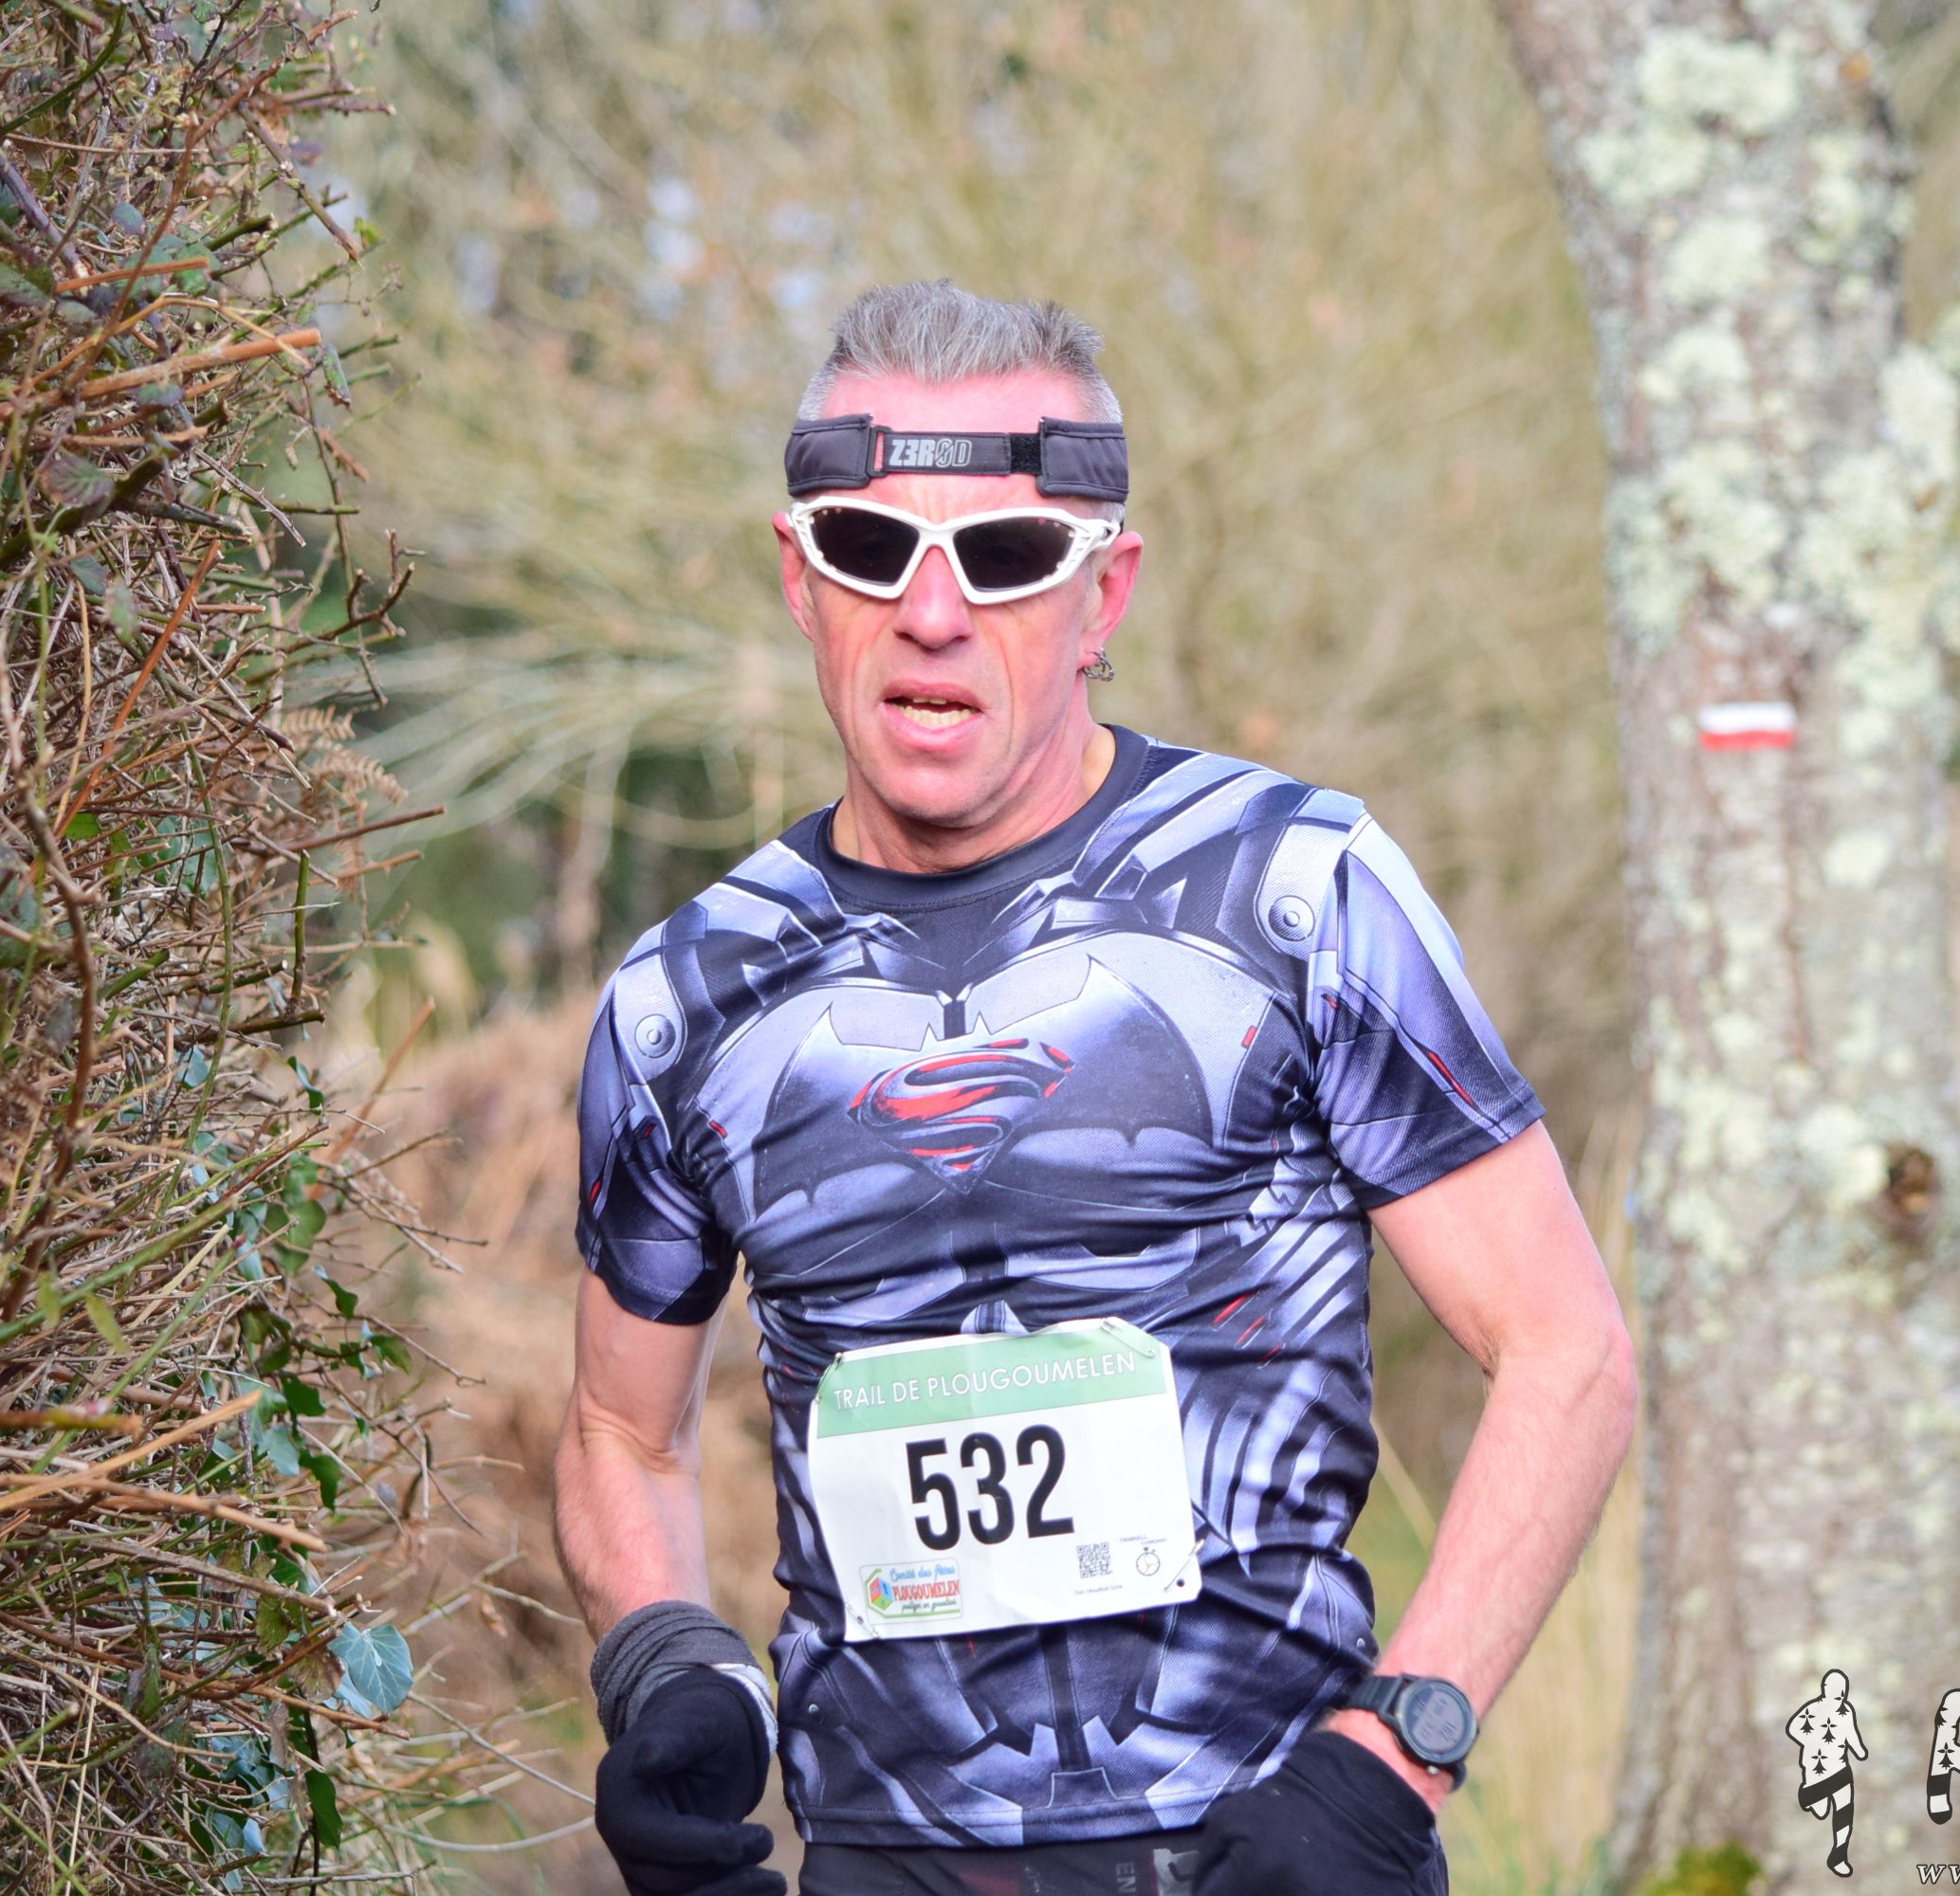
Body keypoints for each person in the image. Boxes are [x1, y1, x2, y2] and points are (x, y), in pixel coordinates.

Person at [555, 279, 1637, 1896]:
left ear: (1103, 591)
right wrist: (666, 1665)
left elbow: (1567, 1353)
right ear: (800, 579)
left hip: (1275, 1858)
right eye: (871, 549)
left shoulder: (1295, 895)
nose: (932, 613)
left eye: (1005, 557)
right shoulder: (689, 996)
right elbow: (615, 1431)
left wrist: (1391, 1762)